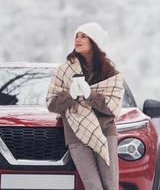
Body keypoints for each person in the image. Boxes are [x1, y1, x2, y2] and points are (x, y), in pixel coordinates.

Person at [46, 22, 124, 190]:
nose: (77, 39)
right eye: (76, 36)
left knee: (110, 185)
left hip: (105, 132)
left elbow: (113, 108)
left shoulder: (110, 70)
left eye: (83, 36)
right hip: (76, 133)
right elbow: (52, 104)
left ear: (94, 41)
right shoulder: (63, 70)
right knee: (92, 185)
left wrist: (90, 95)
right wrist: (71, 95)